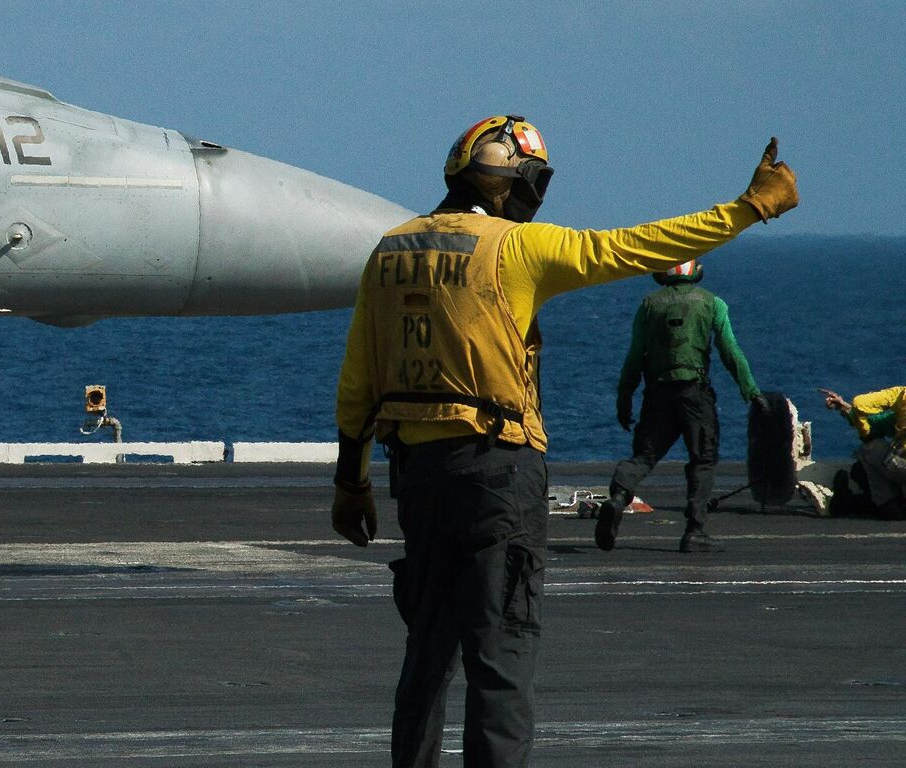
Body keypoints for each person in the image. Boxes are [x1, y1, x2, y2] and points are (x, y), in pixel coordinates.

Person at [330, 116, 797, 768]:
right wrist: (748, 209)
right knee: (501, 655)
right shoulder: (516, 249)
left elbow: (358, 386)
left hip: (419, 480)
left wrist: (350, 482)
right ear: (511, 179)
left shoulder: (389, 252)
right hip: (500, 474)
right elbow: (635, 247)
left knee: (426, 657)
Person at [594, 260, 760, 553]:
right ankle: (695, 531)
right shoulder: (712, 303)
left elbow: (634, 356)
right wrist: (751, 392)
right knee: (702, 459)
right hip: (695, 394)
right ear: (694, 270)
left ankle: (619, 496)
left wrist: (624, 398)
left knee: (644, 455)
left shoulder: (649, 305)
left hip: (657, 393)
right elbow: (730, 351)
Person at [819, 386, 906, 517]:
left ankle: (886, 503)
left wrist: (845, 408)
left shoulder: (902, 395)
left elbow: (870, 417)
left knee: (869, 448)